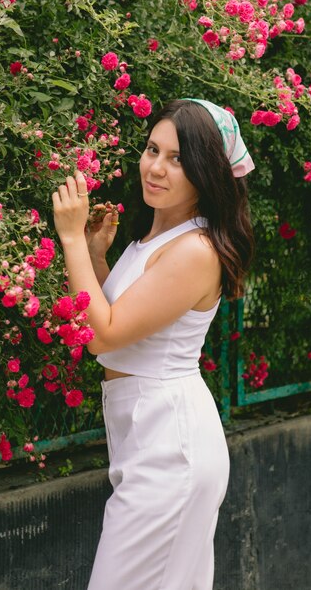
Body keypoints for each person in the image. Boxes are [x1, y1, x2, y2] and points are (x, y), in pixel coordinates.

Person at [52, 98, 255, 590]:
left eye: (178, 158)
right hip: (151, 436)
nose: (156, 168)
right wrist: (99, 260)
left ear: (206, 170)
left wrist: (73, 240)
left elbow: (102, 336)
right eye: (151, 150)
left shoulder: (195, 250)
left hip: (171, 446)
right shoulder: (157, 239)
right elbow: (119, 321)